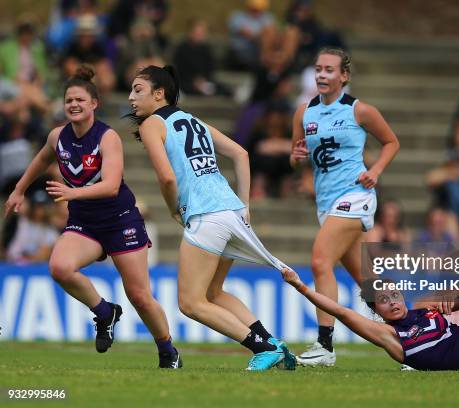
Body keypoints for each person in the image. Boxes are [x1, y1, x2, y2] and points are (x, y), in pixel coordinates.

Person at [3, 66, 182, 369]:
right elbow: (40, 160)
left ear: (94, 104)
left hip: (120, 219)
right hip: (85, 223)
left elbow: (111, 186)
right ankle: (104, 312)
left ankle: (167, 350)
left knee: (139, 295)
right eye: (69, 100)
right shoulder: (57, 136)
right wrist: (19, 190)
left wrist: (72, 194)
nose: (73, 104)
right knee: (60, 267)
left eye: (80, 100)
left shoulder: (108, 137)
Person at [127, 65, 296, 371]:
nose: (131, 97)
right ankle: (274, 343)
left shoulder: (152, 124)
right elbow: (241, 154)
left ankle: (262, 348)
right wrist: (244, 206)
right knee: (213, 292)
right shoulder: (192, 119)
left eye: (138, 90)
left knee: (190, 303)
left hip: (207, 216)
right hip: (231, 211)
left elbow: (166, 178)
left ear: (159, 93)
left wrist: (173, 208)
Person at [290, 47, 400, 366]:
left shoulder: (359, 111)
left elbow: (392, 142)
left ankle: (325, 345)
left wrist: (375, 171)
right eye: (318, 69)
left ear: (344, 76)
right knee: (368, 281)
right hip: (326, 204)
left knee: (320, 260)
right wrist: (295, 159)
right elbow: (295, 156)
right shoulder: (303, 112)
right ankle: (413, 337)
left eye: (329, 70)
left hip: (356, 197)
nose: (322, 75)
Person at [280, 265, 459, 371]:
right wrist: (300, 286)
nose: (392, 302)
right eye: (383, 300)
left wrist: (456, 293)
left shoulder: (425, 305)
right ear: (376, 310)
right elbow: (341, 312)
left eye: (394, 295)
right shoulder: (391, 337)